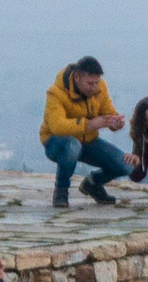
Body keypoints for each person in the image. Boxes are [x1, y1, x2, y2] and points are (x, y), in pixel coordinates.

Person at [40, 55, 128, 208]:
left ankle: (93, 183)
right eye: (89, 83)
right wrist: (89, 125)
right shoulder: (56, 93)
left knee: (126, 165)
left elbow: (107, 110)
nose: (94, 87)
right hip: (58, 143)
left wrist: (115, 123)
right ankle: (61, 191)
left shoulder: (100, 88)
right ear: (77, 77)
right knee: (72, 145)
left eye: (96, 83)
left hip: (88, 141)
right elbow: (57, 126)